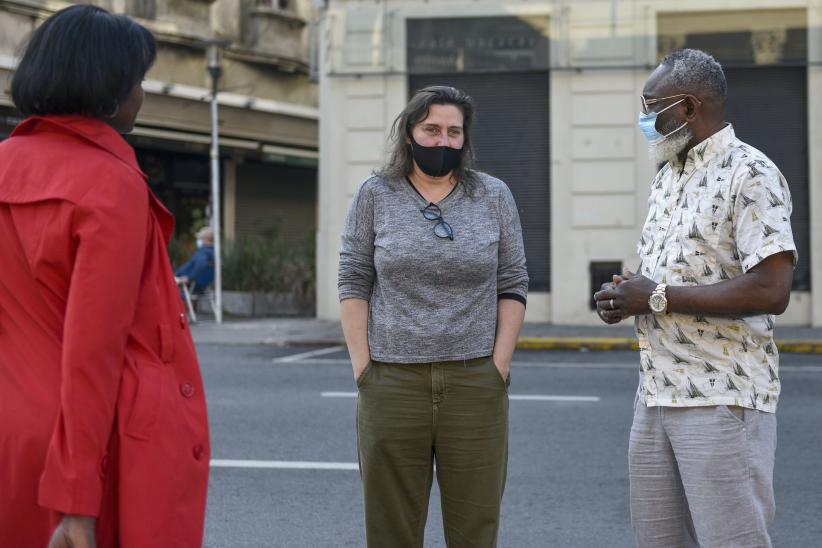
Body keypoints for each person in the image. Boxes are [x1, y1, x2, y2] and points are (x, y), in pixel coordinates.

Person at [0, 6, 209, 547]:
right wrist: (76, 500)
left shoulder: (4, 164)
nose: (143, 94)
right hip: (83, 444)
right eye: (139, 80)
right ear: (109, 88)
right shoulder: (110, 183)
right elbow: (94, 348)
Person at [594, 49, 796, 547]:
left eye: (651, 103)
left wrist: (657, 297)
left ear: (687, 108)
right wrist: (626, 294)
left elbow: (772, 289)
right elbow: (669, 276)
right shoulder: (668, 175)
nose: (645, 117)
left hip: (721, 398)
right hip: (656, 392)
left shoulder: (751, 173)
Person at [338, 85, 529, 548]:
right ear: (409, 134)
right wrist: (364, 368)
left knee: (475, 530)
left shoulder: (493, 195)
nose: (442, 141)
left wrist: (497, 367)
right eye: (431, 129)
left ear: (464, 140)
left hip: (474, 384)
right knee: (392, 531)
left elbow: (513, 280)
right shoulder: (375, 194)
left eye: (453, 132)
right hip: (391, 383)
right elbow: (353, 277)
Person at [176, 226, 216, 293]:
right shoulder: (212, 252)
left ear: (206, 239)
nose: (198, 240)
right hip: (202, 284)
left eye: (200, 239)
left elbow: (201, 265)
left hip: (191, 283)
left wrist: (189, 277)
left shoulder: (203, 252)